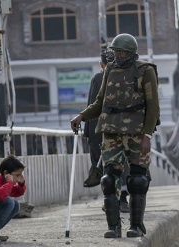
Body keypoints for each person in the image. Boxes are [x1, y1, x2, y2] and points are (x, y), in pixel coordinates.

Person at [70, 33, 160, 238]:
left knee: (138, 180)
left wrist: (147, 134)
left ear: (130, 53)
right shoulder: (109, 69)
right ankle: (113, 226)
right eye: (115, 51)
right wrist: (82, 116)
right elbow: (100, 102)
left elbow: (153, 106)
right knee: (109, 179)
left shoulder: (145, 71)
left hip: (137, 132)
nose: (117, 55)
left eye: (121, 52)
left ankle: (136, 226)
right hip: (111, 131)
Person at [83, 50, 130, 213]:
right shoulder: (127, 76)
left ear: (101, 64)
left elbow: (93, 105)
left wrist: (88, 134)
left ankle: (110, 200)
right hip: (124, 129)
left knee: (106, 166)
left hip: (101, 130)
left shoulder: (98, 79)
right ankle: (122, 199)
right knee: (122, 163)